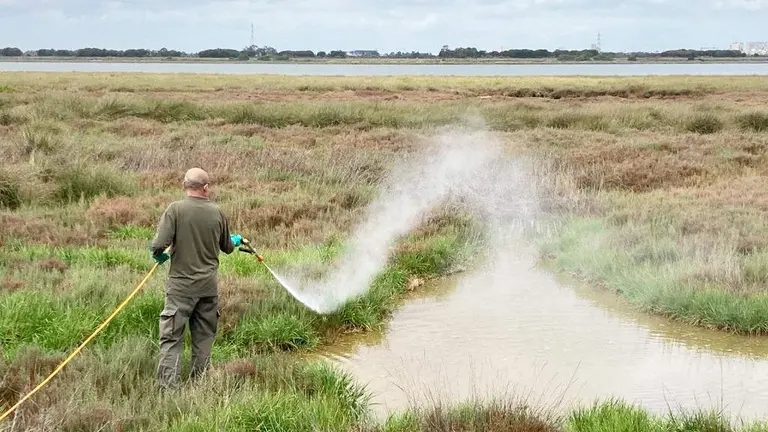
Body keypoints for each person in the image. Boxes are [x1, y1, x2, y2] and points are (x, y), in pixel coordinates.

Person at [150, 167, 243, 389]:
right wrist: (235, 240)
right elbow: (227, 248)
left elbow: (158, 244)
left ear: (184, 185)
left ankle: (168, 390)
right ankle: (199, 385)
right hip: (208, 290)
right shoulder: (218, 213)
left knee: (172, 339)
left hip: (180, 289)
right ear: (206, 187)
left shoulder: (175, 210)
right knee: (203, 340)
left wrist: (159, 255)